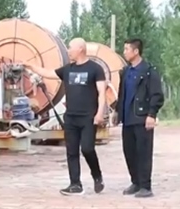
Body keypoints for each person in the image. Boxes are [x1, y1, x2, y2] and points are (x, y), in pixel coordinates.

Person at [26, 37, 106, 196]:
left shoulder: (95, 69)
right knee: (71, 151)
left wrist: (99, 113)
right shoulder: (68, 69)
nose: (68, 51)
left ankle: (97, 176)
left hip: (88, 117)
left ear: (80, 49)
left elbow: (102, 93)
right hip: (71, 118)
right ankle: (75, 184)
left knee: (88, 149)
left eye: (70, 47)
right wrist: (30, 66)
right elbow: (48, 73)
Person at [117, 38, 164, 198]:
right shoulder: (125, 72)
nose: (124, 52)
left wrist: (151, 114)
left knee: (143, 152)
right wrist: (117, 112)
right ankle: (135, 182)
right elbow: (121, 94)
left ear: (136, 51)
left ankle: (145, 186)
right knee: (129, 152)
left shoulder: (149, 71)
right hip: (127, 118)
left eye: (127, 49)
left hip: (142, 117)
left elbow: (157, 95)